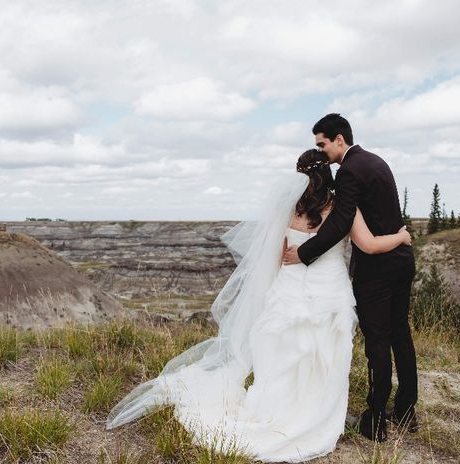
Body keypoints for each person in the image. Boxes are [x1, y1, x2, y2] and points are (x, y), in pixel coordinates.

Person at [106, 148, 411, 462]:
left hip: (290, 289)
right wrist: (400, 238)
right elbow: (371, 246)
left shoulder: (290, 210)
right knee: (326, 355)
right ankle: (319, 415)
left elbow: (276, 258)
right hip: (329, 295)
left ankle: (278, 409)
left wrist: (278, 290)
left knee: (284, 353)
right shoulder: (345, 209)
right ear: (328, 175)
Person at [284, 114, 418, 442]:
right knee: (401, 336)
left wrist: (303, 253)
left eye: (322, 143)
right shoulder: (376, 162)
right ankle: (405, 412)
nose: (322, 150)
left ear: (339, 139)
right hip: (402, 262)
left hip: (377, 271)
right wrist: (400, 238)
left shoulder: (347, 172)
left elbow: (341, 221)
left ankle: (375, 422)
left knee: (378, 341)